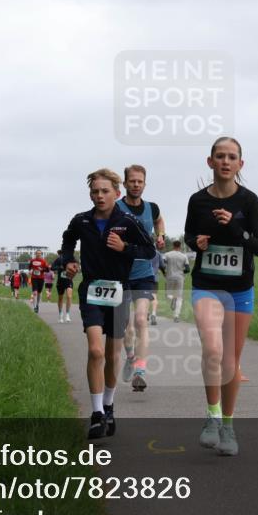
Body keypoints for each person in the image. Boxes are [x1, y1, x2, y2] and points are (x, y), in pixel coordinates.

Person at [185, 137, 258, 456]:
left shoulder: (249, 201)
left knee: (231, 361)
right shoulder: (197, 201)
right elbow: (189, 235)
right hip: (207, 284)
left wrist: (238, 231)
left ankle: (228, 427)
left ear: (240, 164)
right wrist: (198, 243)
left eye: (231, 157)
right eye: (219, 156)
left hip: (239, 289)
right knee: (212, 349)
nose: (225, 161)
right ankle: (212, 416)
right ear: (210, 162)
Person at [60, 168, 155, 439]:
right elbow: (67, 240)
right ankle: (97, 412)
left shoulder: (127, 221)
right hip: (90, 289)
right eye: (95, 191)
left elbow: (149, 250)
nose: (99, 196)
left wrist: (125, 249)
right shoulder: (82, 221)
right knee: (95, 351)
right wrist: (68, 260)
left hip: (118, 292)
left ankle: (109, 405)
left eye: (104, 191)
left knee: (112, 354)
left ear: (117, 193)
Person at [116, 165, 166, 393]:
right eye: (132, 181)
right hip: (121, 274)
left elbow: (159, 220)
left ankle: (140, 371)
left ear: (145, 184)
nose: (136, 185)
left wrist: (161, 236)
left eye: (140, 181)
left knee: (141, 320)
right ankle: (130, 356)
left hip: (144, 272)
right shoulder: (116, 207)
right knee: (125, 327)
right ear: (125, 184)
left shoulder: (151, 208)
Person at [163, 240, 190, 322]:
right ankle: (176, 316)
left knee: (168, 294)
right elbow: (188, 269)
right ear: (180, 246)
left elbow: (163, 264)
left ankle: (172, 299)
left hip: (170, 276)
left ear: (173, 246)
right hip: (180, 277)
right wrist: (181, 272)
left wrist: (165, 272)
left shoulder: (167, 254)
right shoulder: (184, 256)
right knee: (179, 297)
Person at [51, 253, 75, 323]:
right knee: (60, 298)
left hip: (69, 280)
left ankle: (67, 314)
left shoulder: (72, 260)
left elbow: (76, 268)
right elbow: (52, 267)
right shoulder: (59, 259)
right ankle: (60, 314)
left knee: (69, 296)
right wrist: (59, 268)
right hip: (60, 281)